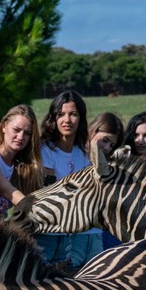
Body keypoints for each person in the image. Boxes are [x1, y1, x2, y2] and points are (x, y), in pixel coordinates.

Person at [39, 90, 100, 268]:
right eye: (61, 114)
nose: (67, 120)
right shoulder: (45, 150)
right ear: (53, 118)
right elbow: (49, 191)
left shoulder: (84, 153)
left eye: (73, 114)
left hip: (73, 232)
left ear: (81, 118)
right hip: (48, 232)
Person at [0, 104, 43, 218]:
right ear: (4, 126)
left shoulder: (23, 167)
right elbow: (5, 189)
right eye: (16, 130)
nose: (21, 137)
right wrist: (39, 210)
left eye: (27, 133)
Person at [87, 112, 125, 248]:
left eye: (112, 145)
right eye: (105, 140)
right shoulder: (77, 155)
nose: (107, 148)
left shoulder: (106, 165)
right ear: (93, 130)